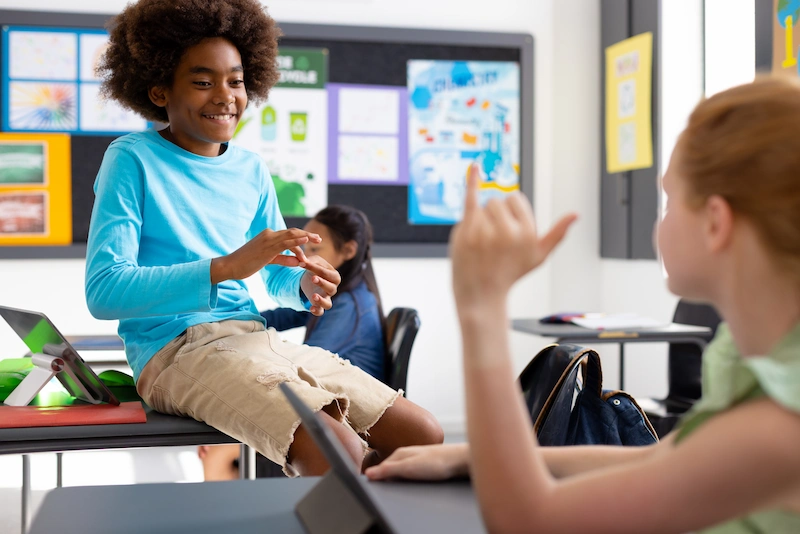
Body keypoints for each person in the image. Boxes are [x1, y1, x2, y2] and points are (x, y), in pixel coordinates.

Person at [367, 76, 800, 533]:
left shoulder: (777, 429)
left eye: (669, 201)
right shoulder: (751, 356)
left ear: (716, 223)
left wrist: (481, 305)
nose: (661, 219)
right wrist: (467, 454)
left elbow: (527, 520)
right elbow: (662, 458)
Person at [85, 0, 442, 479]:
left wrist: (302, 287)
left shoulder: (250, 168)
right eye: (202, 81)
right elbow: (105, 291)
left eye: (235, 80)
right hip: (176, 351)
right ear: (158, 89)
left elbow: (275, 272)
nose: (224, 95)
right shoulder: (131, 159)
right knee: (334, 450)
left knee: (423, 433)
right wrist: (225, 268)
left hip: (254, 338)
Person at [200, 204, 387, 480]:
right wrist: (226, 321)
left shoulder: (350, 305)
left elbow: (310, 361)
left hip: (348, 421)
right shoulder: (329, 294)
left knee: (221, 452)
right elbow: (279, 315)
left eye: (314, 250)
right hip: (328, 408)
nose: (303, 259)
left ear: (347, 250)